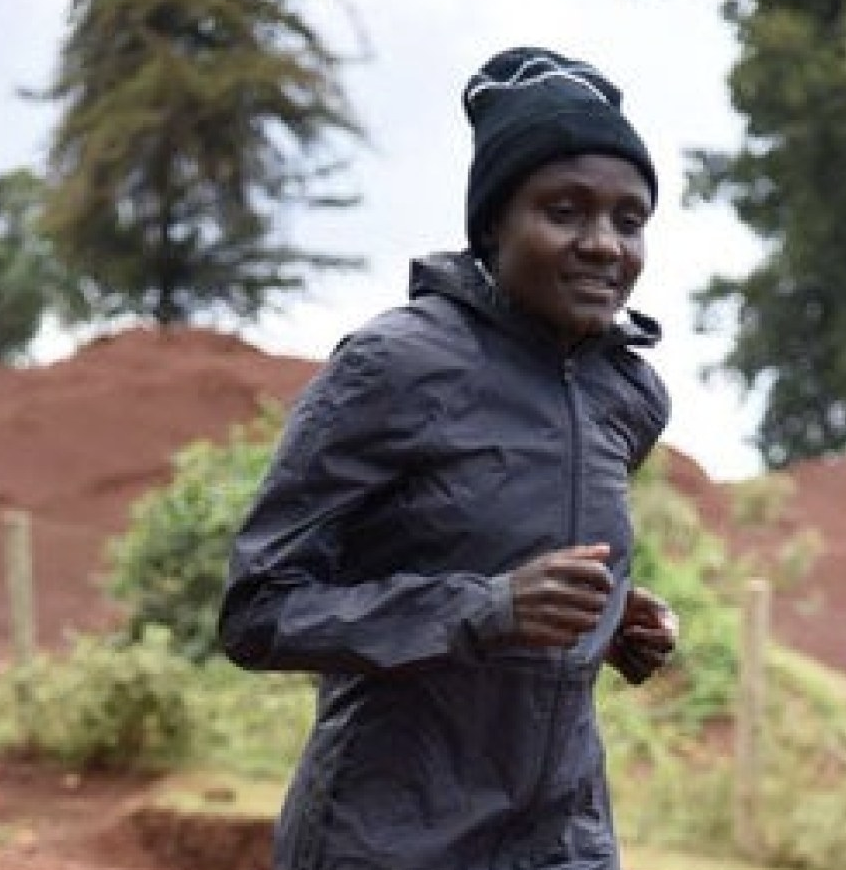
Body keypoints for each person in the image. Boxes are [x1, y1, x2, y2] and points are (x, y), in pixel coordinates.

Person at [219, 45, 679, 870]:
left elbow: (492, 532)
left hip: (561, 835)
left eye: (629, 219)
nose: (604, 244)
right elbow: (259, 611)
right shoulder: (394, 365)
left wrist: (612, 621)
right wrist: (488, 608)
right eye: (565, 210)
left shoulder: (628, 394)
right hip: (389, 838)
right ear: (493, 223)